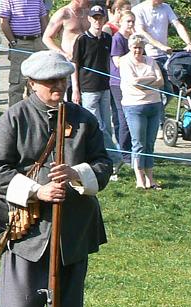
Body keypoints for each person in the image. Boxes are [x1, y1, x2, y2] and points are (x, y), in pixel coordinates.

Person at [0, 51, 112, 307]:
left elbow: (105, 164)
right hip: (26, 231)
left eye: (62, 81)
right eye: (50, 83)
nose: (58, 87)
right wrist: (38, 190)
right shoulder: (12, 120)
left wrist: (79, 175)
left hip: (72, 233)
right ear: (32, 84)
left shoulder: (84, 120)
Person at [71, 5, 123, 179]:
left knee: (107, 126)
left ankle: (107, 160)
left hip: (105, 88)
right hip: (88, 89)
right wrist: (76, 89)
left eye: (100, 18)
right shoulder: (82, 40)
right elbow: (75, 65)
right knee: (98, 125)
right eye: (94, 18)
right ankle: (116, 158)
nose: (97, 21)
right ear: (89, 19)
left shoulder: (107, 38)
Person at [132, 0, 191, 128]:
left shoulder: (166, 7)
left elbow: (177, 24)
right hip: (148, 55)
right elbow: (142, 32)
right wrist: (160, 45)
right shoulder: (139, 10)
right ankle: (159, 124)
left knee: (169, 91)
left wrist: (189, 43)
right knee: (157, 91)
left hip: (164, 56)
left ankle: (156, 116)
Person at [119, 34, 164, 189]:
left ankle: (150, 178)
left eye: (140, 47)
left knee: (150, 143)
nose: (137, 50)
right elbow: (134, 83)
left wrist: (143, 81)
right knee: (138, 143)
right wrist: (151, 79)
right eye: (135, 47)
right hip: (134, 106)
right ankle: (139, 178)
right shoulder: (125, 61)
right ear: (130, 47)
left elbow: (161, 81)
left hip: (154, 104)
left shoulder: (151, 60)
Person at [0, 0, 49, 107]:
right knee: (17, 84)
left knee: (38, 80)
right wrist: (13, 42)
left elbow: (43, 19)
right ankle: (14, 117)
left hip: (38, 42)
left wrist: (44, 39)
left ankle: (35, 114)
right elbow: (4, 22)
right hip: (20, 43)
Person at [110, 10, 135, 170]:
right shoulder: (118, 39)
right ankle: (125, 154)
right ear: (121, 22)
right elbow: (117, 62)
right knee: (123, 117)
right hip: (117, 82)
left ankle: (127, 150)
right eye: (128, 21)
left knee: (125, 118)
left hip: (130, 83)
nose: (131, 24)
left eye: (133, 21)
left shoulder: (133, 39)